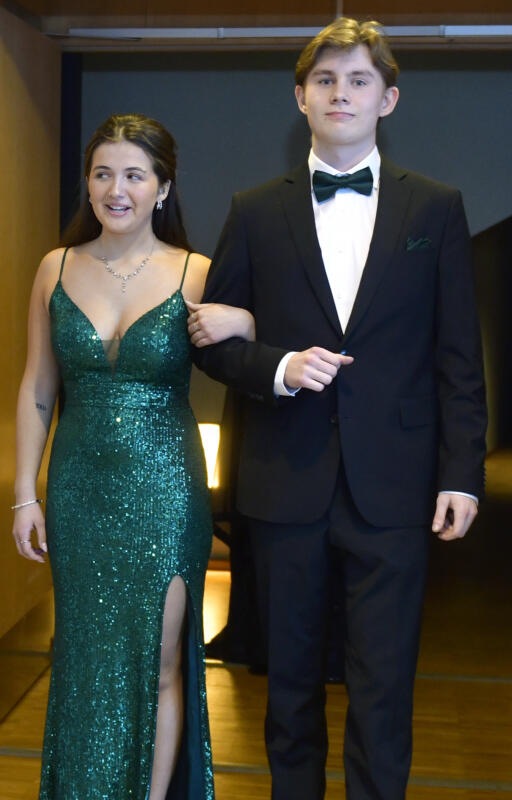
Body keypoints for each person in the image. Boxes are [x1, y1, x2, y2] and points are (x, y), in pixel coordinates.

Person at [190, 18, 487, 800]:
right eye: (324, 80)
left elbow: (459, 355)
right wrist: (279, 367)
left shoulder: (437, 208)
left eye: (358, 80)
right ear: (300, 98)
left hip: (397, 487)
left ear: (388, 99)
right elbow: (211, 342)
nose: (340, 94)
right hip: (284, 483)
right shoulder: (254, 210)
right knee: (288, 691)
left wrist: (462, 473)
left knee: (383, 692)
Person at [11, 112, 254, 800]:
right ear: (88, 184)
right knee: (84, 656)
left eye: (134, 175)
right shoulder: (55, 267)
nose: (116, 190)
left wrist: (245, 319)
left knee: (161, 660)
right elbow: (36, 389)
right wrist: (25, 494)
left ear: (163, 187)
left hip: (167, 492)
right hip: (78, 489)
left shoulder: (197, 272)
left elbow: (256, 351)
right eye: (102, 174)